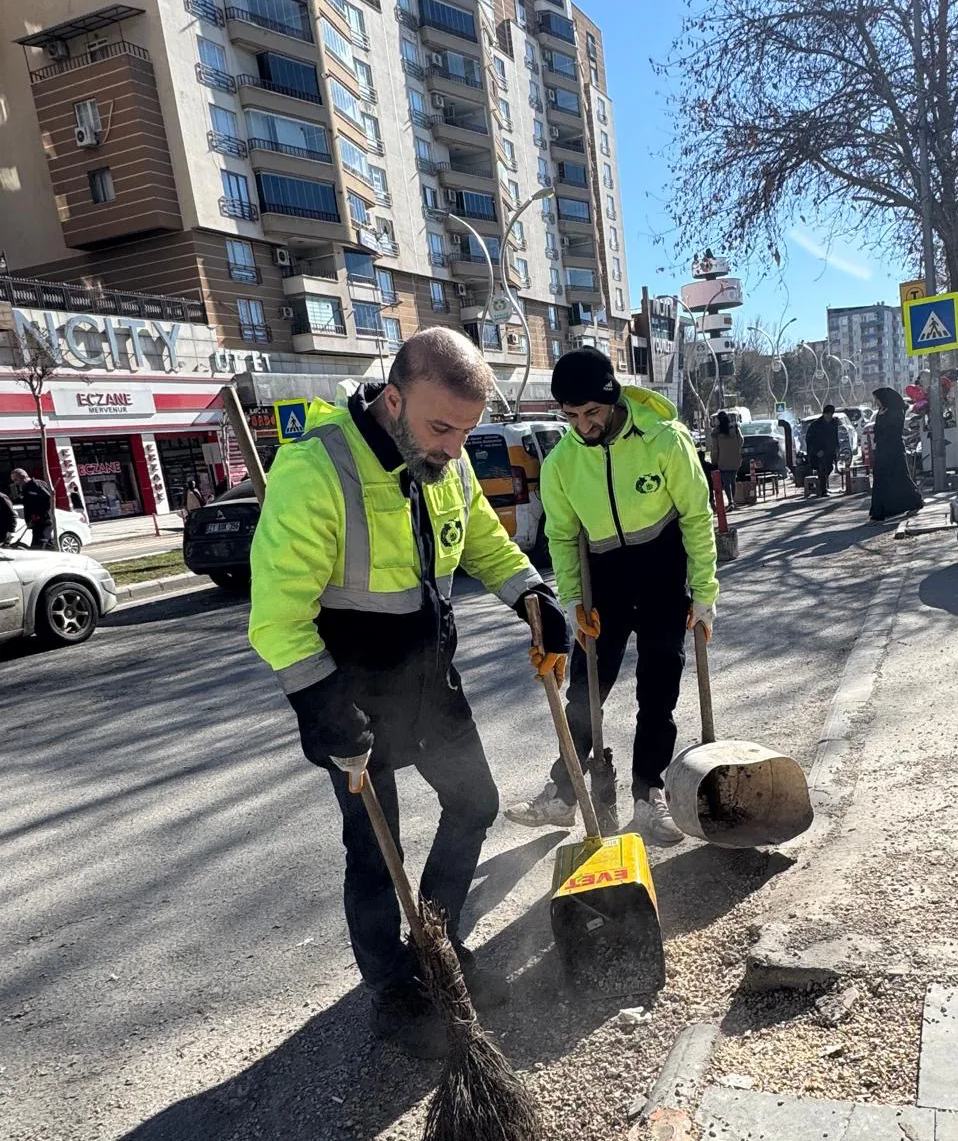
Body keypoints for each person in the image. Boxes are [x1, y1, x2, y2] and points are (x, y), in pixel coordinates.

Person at [248, 328, 570, 1055]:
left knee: (475, 803)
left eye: (465, 430)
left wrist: (532, 595)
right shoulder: (318, 470)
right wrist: (324, 707)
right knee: (372, 848)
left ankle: (439, 944)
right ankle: (391, 984)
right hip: (351, 696)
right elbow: (276, 616)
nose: (455, 446)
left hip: (428, 679)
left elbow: (484, 543)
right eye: (439, 426)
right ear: (393, 399)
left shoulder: (444, 463)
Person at [506, 348, 719, 847]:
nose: (584, 425)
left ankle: (649, 795)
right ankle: (565, 794)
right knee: (585, 696)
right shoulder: (560, 463)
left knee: (657, 691)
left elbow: (696, 516)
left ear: (613, 398)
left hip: (665, 579)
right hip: (604, 587)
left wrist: (705, 590)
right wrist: (574, 601)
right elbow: (561, 536)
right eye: (572, 416)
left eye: (592, 413)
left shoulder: (665, 440)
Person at [869, 387, 925, 522]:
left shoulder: (896, 411)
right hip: (882, 449)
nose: (876, 402)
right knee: (880, 479)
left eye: (878, 398)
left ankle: (915, 501)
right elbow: (878, 428)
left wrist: (882, 429)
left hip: (894, 448)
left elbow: (894, 429)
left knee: (900, 476)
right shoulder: (880, 412)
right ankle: (879, 510)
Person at [10, 467, 55, 549]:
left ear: (22, 476)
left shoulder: (37, 484)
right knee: (47, 545)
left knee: (39, 545)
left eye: (15, 480)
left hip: (44, 521)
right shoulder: (25, 489)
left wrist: (39, 514)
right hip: (35, 523)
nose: (15, 483)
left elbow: (49, 499)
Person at [710, 409, 743, 510]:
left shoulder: (716, 432)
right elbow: (741, 441)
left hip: (723, 460)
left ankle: (730, 501)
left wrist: (714, 461)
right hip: (735, 458)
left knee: (726, 481)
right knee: (733, 479)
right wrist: (736, 450)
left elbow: (715, 449)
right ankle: (733, 500)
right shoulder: (735, 428)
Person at [805, 404, 841, 496]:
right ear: (824, 414)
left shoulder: (833, 423)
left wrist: (837, 447)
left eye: (831, 414)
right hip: (819, 452)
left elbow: (835, 436)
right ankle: (823, 490)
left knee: (829, 468)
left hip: (830, 450)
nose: (829, 416)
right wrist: (816, 451)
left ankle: (823, 487)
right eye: (827, 414)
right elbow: (810, 440)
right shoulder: (816, 425)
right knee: (822, 469)